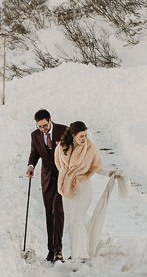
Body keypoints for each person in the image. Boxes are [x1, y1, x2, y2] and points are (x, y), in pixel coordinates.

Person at [54, 121, 119, 261]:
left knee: (77, 220)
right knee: (72, 222)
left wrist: (109, 173)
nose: (84, 138)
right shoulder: (61, 147)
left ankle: (81, 255)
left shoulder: (89, 148)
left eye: (86, 135)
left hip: (83, 188)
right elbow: (59, 165)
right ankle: (76, 252)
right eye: (81, 136)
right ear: (73, 135)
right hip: (67, 189)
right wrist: (68, 178)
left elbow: (96, 166)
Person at [26, 109, 66, 262]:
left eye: (44, 125)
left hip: (62, 178)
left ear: (50, 120)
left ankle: (58, 251)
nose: (42, 129)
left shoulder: (64, 131)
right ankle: (51, 252)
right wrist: (31, 166)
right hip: (47, 179)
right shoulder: (35, 136)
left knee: (58, 211)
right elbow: (34, 153)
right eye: (39, 126)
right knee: (49, 213)